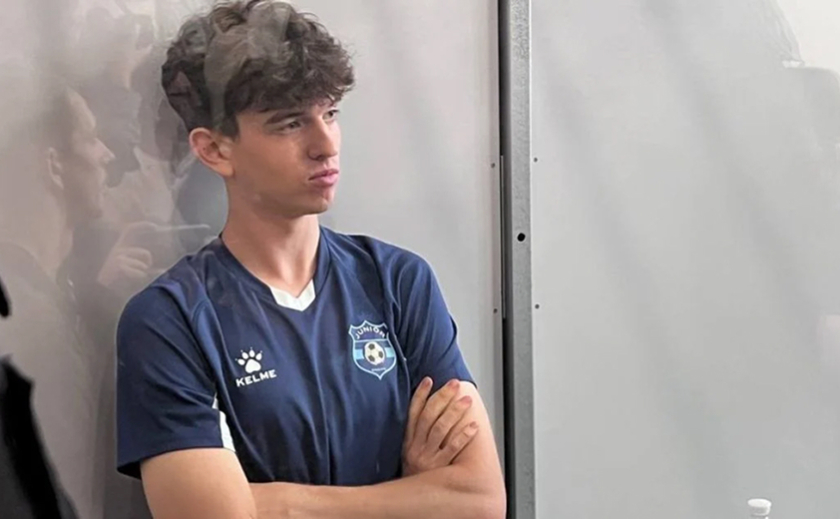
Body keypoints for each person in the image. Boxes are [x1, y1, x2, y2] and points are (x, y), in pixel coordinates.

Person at [114, 1, 506, 519]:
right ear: (215, 150)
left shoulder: (398, 281)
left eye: (330, 114)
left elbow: (479, 500)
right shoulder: (171, 319)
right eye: (290, 123)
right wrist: (410, 491)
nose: (325, 145)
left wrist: (276, 503)